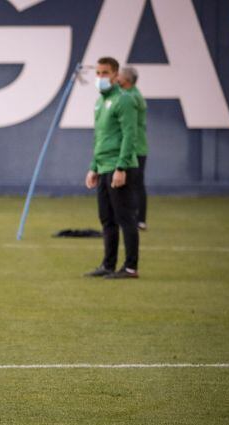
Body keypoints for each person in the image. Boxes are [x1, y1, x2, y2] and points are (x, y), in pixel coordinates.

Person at [84, 56, 140, 279]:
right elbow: (99, 137)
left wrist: (121, 167)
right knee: (106, 219)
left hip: (118, 167)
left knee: (125, 218)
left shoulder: (124, 100)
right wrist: (93, 167)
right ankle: (108, 265)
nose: (100, 78)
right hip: (103, 166)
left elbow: (130, 135)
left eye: (105, 73)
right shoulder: (100, 102)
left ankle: (130, 267)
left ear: (116, 75)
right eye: (97, 73)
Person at [118, 65, 149, 230]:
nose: (117, 79)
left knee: (135, 185)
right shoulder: (132, 94)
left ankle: (138, 219)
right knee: (136, 185)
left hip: (136, 148)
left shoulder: (132, 97)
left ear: (127, 80)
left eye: (120, 76)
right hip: (137, 147)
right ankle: (137, 219)